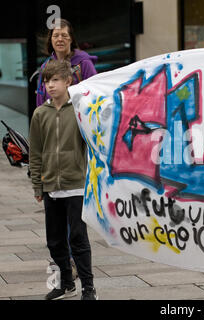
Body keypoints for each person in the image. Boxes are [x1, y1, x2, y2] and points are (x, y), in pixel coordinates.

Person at [29, 59, 98, 300]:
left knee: (78, 239)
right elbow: (35, 153)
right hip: (51, 187)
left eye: (55, 80)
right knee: (55, 241)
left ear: (68, 81)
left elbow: (93, 144)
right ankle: (66, 284)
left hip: (77, 186)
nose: (50, 85)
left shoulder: (80, 110)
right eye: (47, 80)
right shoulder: (40, 114)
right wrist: (37, 184)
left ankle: (88, 288)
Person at [36, 18, 97, 107]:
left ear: (71, 39)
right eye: (56, 35)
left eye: (64, 35)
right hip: (52, 118)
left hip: (77, 118)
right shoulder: (45, 67)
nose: (60, 39)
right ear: (51, 40)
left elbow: (95, 93)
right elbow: (40, 99)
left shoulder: (84, 63)